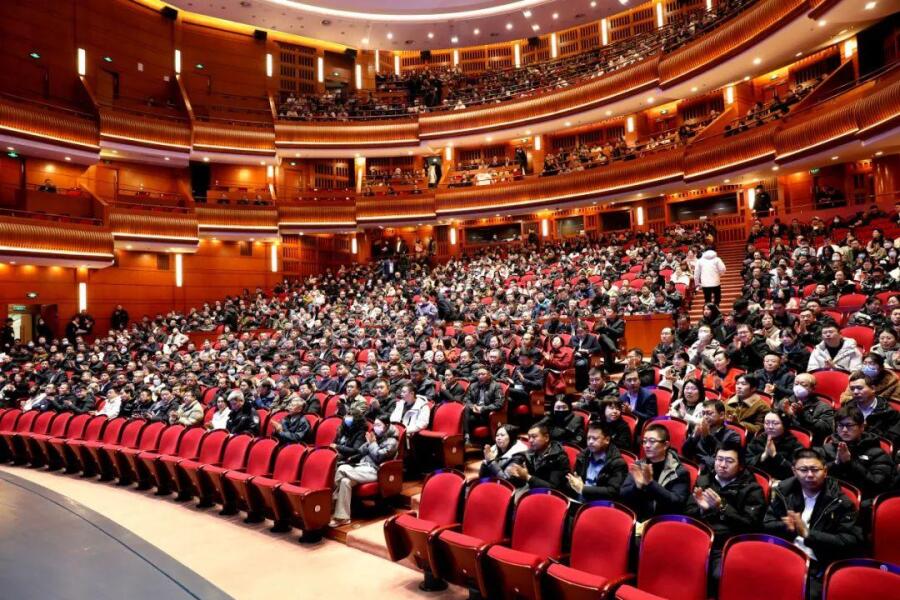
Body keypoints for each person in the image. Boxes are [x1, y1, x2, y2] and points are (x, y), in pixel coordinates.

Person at [764, 449, 863, 599]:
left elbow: (851, 542)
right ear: (794, 471)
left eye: (815, 470)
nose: (810, 475)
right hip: (783, 557)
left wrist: (808, 534)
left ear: (825, 471)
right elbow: (767, 523)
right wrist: (786, 527)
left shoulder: (840, 502)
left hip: (817, 566)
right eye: (803, 470)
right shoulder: (784, 492)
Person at [685, 442, 766, 580]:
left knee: (719, 576)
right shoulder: (704, 480)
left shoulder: (752, 489)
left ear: (740, 466)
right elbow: (687, 512)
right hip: (698, 539)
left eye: (729, 461)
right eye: (719, 459)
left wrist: (722, 507)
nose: (722, 465)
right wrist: (702, 510)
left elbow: (750, 525)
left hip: (725, 546)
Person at [329, 417, 399, 527]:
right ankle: (343, 518)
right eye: (374, 425)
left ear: (386, 426)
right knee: (345, 481)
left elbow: (379, 457)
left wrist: (372, 443)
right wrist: (368, 443)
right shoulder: (375, 437)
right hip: (363, 467)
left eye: (378, 425)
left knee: (342, 469)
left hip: (376, 471)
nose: (375, 427)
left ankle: (332, 499)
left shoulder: (392, 442)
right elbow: (360, 451)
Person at [823, 405, 894, 501]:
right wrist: (836, 463)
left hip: (862, 502)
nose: (844, 430)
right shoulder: (827, 448)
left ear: (861, 427)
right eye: (840, 425)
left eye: (849, 425)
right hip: (829, 499)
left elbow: (877, 485)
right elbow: (815, 476)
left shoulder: (878, 454)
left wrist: (851, 463)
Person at [620, 423, 691, 520]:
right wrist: (637, 487)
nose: (647, 445)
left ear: (665, 445)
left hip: (662, 521)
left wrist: (651, 483)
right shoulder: (639, 465)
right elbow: (623, 496)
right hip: (637, 520)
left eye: (652, 441)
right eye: (644, 441)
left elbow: (677, 504)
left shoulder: (679, 472)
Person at [566, 421, 628, 502]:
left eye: (595, 438)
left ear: (607, 440)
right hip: (578, 500)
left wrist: (583, 489)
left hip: (599, 504)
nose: (590, 442)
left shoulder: (618, 463)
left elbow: (612, 491)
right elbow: (574, 480)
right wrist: (573, 483)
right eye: (588, 438)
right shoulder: (583, 456)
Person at [506, 423, 570, 493]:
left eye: (534, 437)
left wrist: (527, 477)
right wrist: (515, 466)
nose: (530, 440)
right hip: (533, 489)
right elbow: (520, 456)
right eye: (529, 437)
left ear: (546, 438)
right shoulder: (532, 452)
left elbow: (553, 488)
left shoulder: (559, 458)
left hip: (553, 495)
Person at [681, 400, 742, 473]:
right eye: (703, 413)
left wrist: (707, 436)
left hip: (714, 472)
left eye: (709, 413)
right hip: (695, 467)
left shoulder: (732, 436)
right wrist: (694, 436)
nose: (705, 417)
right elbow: (685, 452)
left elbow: (721, 459)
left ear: (721, 415)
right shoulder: (700, 430)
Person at [843, 373, 900, 445]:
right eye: (852, 389)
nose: (855, 392)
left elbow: (888, 442)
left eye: (859, 388)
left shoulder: (889, 413)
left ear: (873, 389)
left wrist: (864, 430)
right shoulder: (847, 407)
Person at [746, 411, 802, 481]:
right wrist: (764, 455)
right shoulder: (759, 439)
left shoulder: (794, 444)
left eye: (775, 423)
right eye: (767, 423)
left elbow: (796, 471)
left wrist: (775, 455)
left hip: (783, 482)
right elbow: (747, 462)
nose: (770, 427)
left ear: (784, 425)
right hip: (757, 480)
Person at [462, 366, 504, 442]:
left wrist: (482, 408)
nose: (480, 376)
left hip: (487, 414)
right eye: (478, 374)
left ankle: (467, 437)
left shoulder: (496, 386)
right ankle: (467, 436)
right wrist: (473, 407)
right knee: (465, 409)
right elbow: (466, 399)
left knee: (466, 418)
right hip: (474, 411)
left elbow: (499, 404)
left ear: (489, 375)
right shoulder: (473, 385)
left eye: (483, 374)